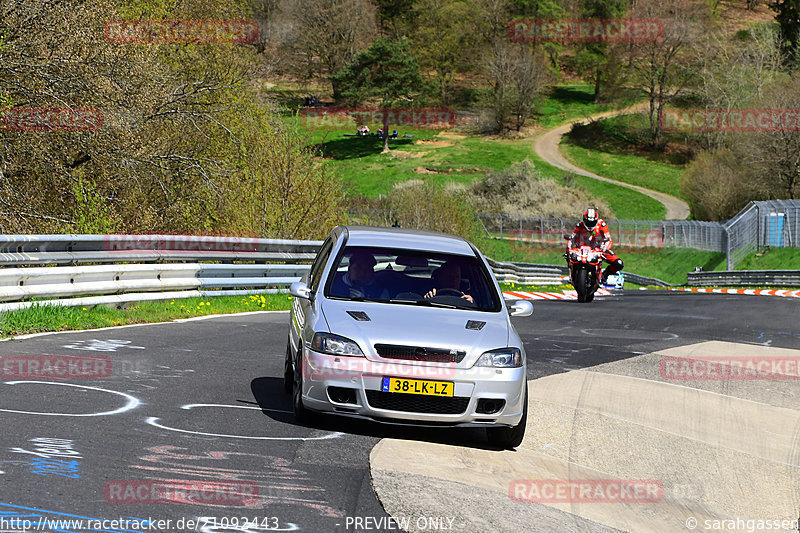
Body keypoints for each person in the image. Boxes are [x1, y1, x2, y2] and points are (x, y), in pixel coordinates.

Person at [568, 208, 623, 284]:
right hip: (582, 250)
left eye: (592, 222)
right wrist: (569, 249)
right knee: (569, 257)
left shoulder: (602, 225)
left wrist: (605, 250)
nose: (590, 224)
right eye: (587, 222)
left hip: (599, 250)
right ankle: (572, 276)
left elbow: (608, 240)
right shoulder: (580, 225)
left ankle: (605, 275)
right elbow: (572, 239)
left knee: (619, 263)